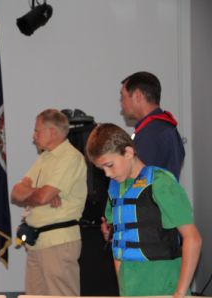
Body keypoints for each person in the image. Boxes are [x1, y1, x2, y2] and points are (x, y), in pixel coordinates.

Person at [85, 123, 202, 297]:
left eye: (110, 165)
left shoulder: (161, 183)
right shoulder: (115, 189)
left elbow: (193, 238)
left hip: (164, 287)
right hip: (131, 288)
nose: (107, 174)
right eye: (102, 169)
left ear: (129, 152)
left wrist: (180, 292)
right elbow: (118, 243)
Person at [11, 108, 87, 296]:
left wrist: (39, 194)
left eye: (37, 131)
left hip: (58, 243)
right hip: (37, 242)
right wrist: (41, 193)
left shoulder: (71, 157)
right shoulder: (44, 159)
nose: (33, 136)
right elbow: (15, 193)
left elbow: (41, 197)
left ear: (52, 132)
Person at [120, 71, 185, 179]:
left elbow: (138, 179)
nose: (122, 104)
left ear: (137, 96)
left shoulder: (150, 133)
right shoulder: (165, 127)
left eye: (123, 97)